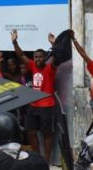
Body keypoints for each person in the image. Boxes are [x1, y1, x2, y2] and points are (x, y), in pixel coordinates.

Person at [11, 30, 59, 161]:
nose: (38, 59)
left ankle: (46, 161)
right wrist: (14, 41)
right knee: (30, 131)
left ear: (45, 58)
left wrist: (54, 45)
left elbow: (57, 57)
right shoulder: (32, 66)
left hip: (47, 106)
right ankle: (38, 157)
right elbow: (20, 55)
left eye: (41, 57)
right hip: (34, 104)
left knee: (47, 134)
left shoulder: (50, 68)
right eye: (36, 57)